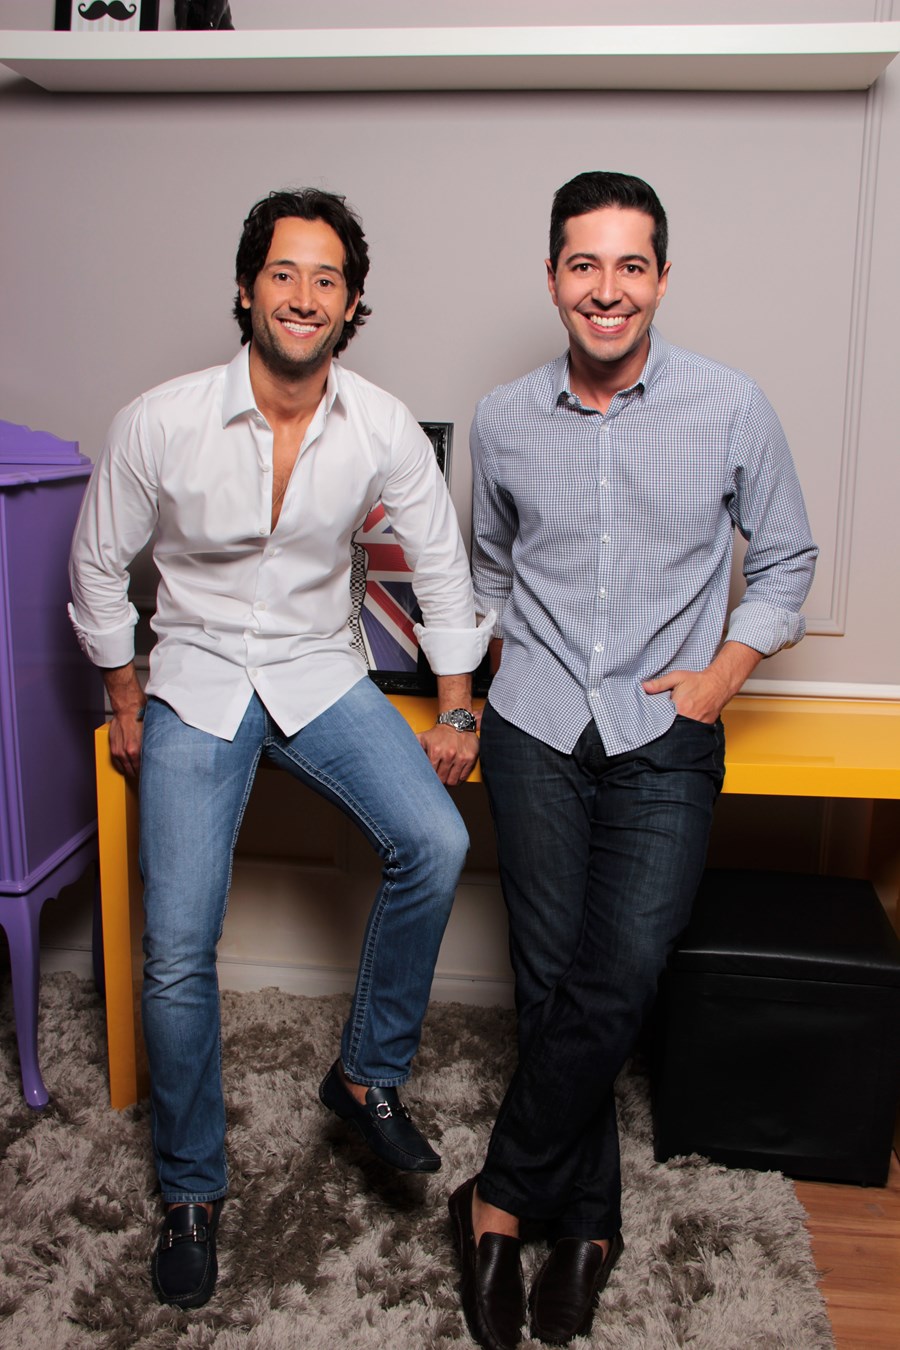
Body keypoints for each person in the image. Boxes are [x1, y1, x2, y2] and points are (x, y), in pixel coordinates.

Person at [68, 187, 492, 1311]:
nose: (304, 296)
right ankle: (191, 1190)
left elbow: (441, 564)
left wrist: (457, 707)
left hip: (318, 672)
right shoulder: (160, 420)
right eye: (284, 273)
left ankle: (364, 1077)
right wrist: (124, 691)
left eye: (326, 279)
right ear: (247, 288)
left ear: (352, 305)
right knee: (177, 949)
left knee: (437, 843)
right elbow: (98, 564)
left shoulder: (382, 425)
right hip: (196, 678)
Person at [450, 171, 818, 1350]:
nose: (606, 289)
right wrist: (473, 689)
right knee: (553, 980)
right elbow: (487, 569)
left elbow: (789, 560)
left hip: (667, 729)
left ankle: (497, 1198)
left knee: (622, 973)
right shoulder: (503, 418)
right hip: (535, 725)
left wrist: (722, 675)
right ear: (552, 275)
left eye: (630, 265)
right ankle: (589, 1229)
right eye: (583, 264)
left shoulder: (731, 406)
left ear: (661, 277)